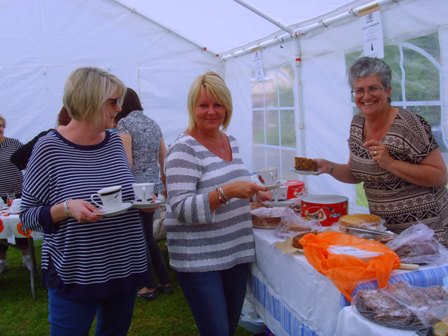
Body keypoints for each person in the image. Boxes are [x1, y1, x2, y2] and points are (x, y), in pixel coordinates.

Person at [20, 67, 148, 335]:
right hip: (77, 270)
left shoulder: (114, 142)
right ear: (90, 100)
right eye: (113, 102)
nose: (119, 108)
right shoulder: (49, 148)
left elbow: (121, 195)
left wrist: (144, 201)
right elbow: (28, 215)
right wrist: (67, 208)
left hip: (123, 263)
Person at [164, 71, 270, 336]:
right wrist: (227, 192)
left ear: (227, 107)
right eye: (204, 105)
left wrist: (254, 192)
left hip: (235, 251)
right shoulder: (183, 149)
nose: (211, 112)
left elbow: (233, 182)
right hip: (200, 259)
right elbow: (180, 207)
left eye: (217, 104)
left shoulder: (229, 140)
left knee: (228, 327)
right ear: (192, 108)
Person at [314, 56, 448, 246]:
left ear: (388, 90)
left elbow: (440, 176)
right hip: (387, 233)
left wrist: (390, 163)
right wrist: (329, 167)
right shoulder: (357, 124)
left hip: (428, 233)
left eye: (373, 88)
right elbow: (356, 173)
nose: (366, 96)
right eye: (359, 90)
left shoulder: (409, 124)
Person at [116, 87, 172, 300]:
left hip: (134, 190)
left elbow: (127, 161)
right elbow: (163, 158)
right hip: (153, 189)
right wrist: (164, 185)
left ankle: (147, 285)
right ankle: (165, 280)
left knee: (138, 239)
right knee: (147, 236)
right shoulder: (153, 123)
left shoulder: (124, 124)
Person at [0, 115, 31, 273]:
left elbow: (29, 160)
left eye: (0, 125)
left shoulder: (13, 144)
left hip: (18, 192)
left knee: (21, 226)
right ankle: (2, 261)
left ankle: (27, 258)